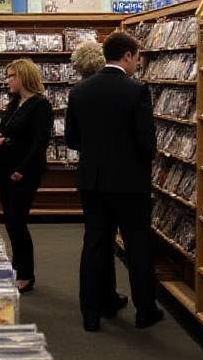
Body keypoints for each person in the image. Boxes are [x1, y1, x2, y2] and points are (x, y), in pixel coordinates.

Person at [65, 32, 162, 332]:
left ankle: (92, 312)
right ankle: (145, 311)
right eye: (137, 58)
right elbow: (147, 143)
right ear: (128, 56)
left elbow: (71, 139)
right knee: (137, 247)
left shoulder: (79, 91)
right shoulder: (136, 91)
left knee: (95, 245)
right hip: (130, 184)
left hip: (93, 181)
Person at [0, 59, 53, 293]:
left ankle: (26, 274)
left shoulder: (41, 105)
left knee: (17, 222)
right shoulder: (15, 102)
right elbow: (12, 133)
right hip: (6, 169)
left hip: (23, 172)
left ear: (23, 76)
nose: (7, 81)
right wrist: (0, 136)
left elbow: (39, 143)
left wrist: (22, 170)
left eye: (11, 76)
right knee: (11, 222)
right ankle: (17, 268)